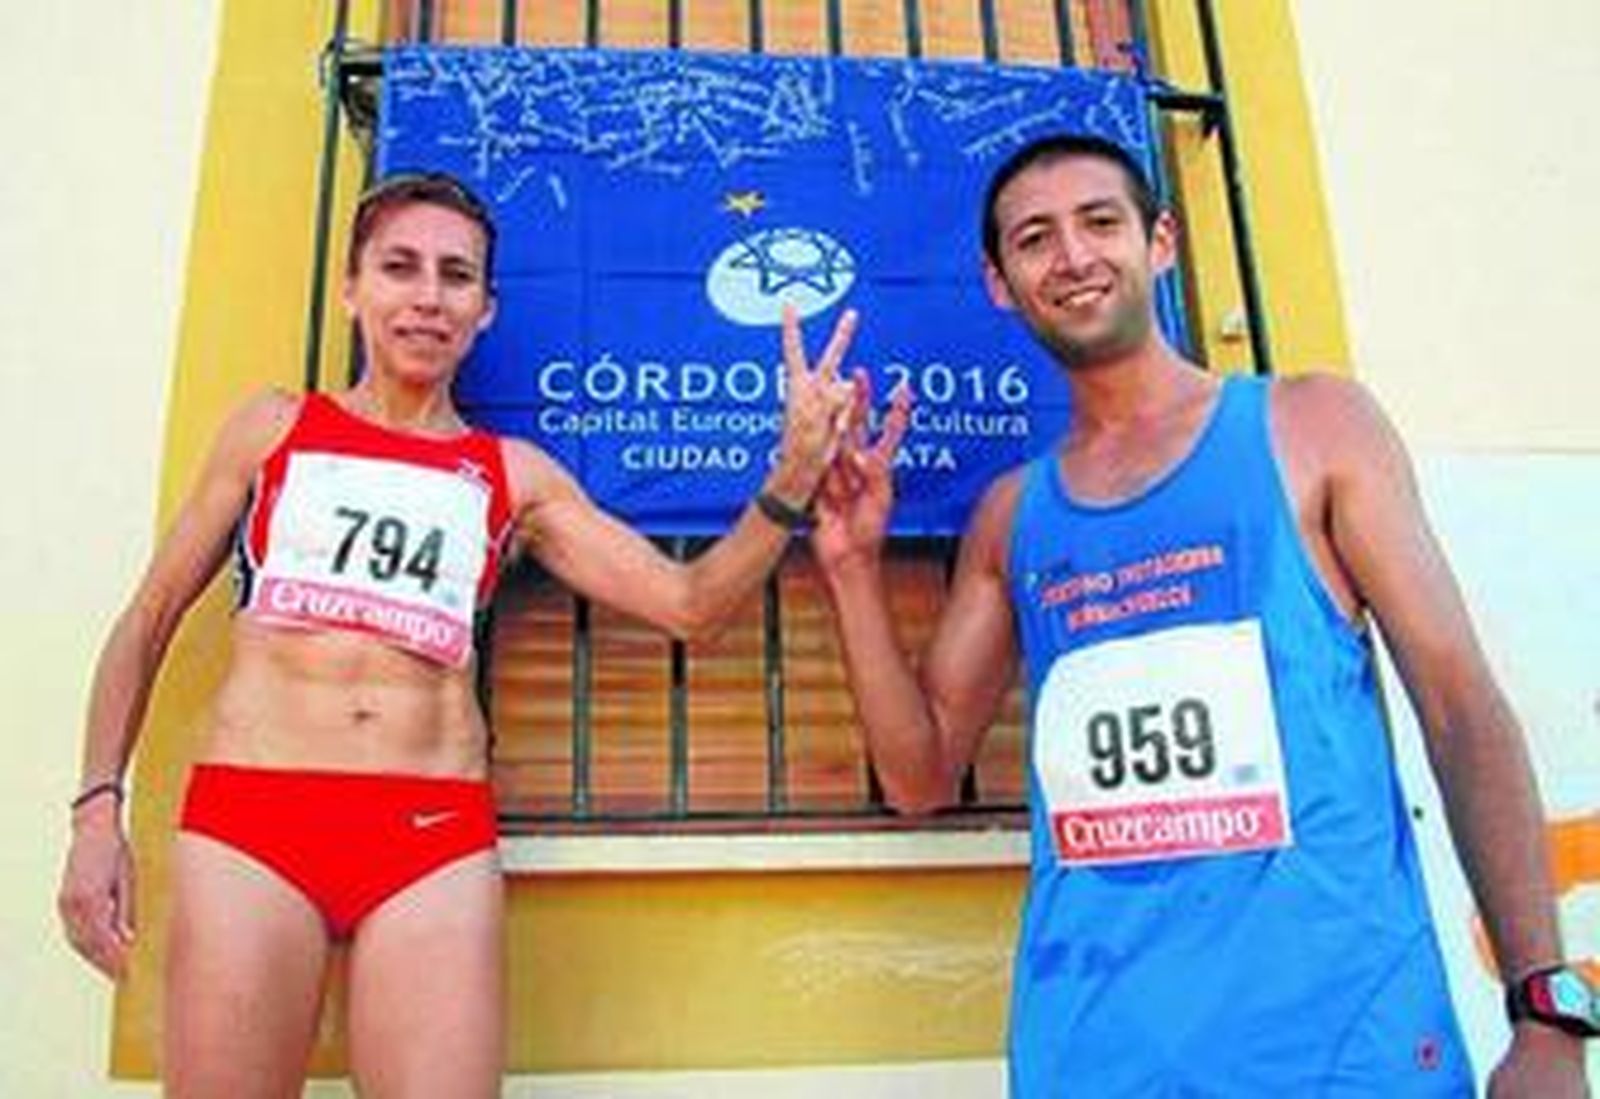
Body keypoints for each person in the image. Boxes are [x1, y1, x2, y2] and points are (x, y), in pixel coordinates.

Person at [804, 134, 1593, 1096]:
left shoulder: (1315, 425)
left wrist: (1543, 1005)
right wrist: (850, 568)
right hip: (1098, 1054)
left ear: (1161, 241)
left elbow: (1461, 709)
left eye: (1101, 222)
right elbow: (920, 774)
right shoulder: (1013, 517)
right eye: (1035, 239)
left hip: (1346, 1046)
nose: (1075, 257)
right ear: (1001, 283)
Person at [56, 170, 858, 1097]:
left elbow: (689, 603)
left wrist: (794, 474)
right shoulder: (274, 429)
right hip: (253, 823)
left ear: (485, 309)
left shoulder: (512, 476)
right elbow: (148, 617)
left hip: (428, 837)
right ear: (353, 290)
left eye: (456, 276)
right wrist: (93, 815)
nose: (428, 297)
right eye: (400, 268)